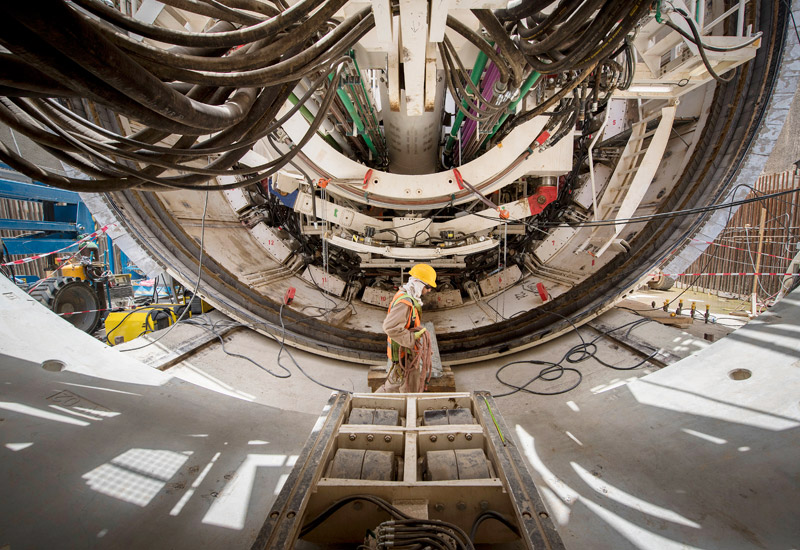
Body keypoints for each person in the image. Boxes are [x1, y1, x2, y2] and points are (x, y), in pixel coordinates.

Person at [378, 263, 437, 393]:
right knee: (404, 385)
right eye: (428, 287)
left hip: (405, 349)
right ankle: (376, 404)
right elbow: (389, 327)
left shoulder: (407, 295)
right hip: (403, 351)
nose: (428, 291)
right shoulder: (404, 303)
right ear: (419, 284)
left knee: (399, 382)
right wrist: (412, 337)